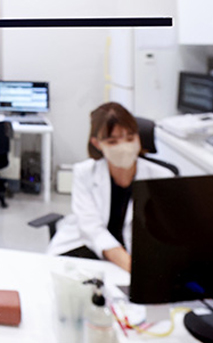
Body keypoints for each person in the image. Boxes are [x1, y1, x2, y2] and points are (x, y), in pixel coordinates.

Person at [47, 102, 174, 272]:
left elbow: (164, 234)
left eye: (130, 138)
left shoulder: (161, 177)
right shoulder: (84, 173)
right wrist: (131, 267)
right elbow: (92, 229)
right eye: (113, 141)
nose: (124, 147)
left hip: (135, 253)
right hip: (89, 247)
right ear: (97, 143)